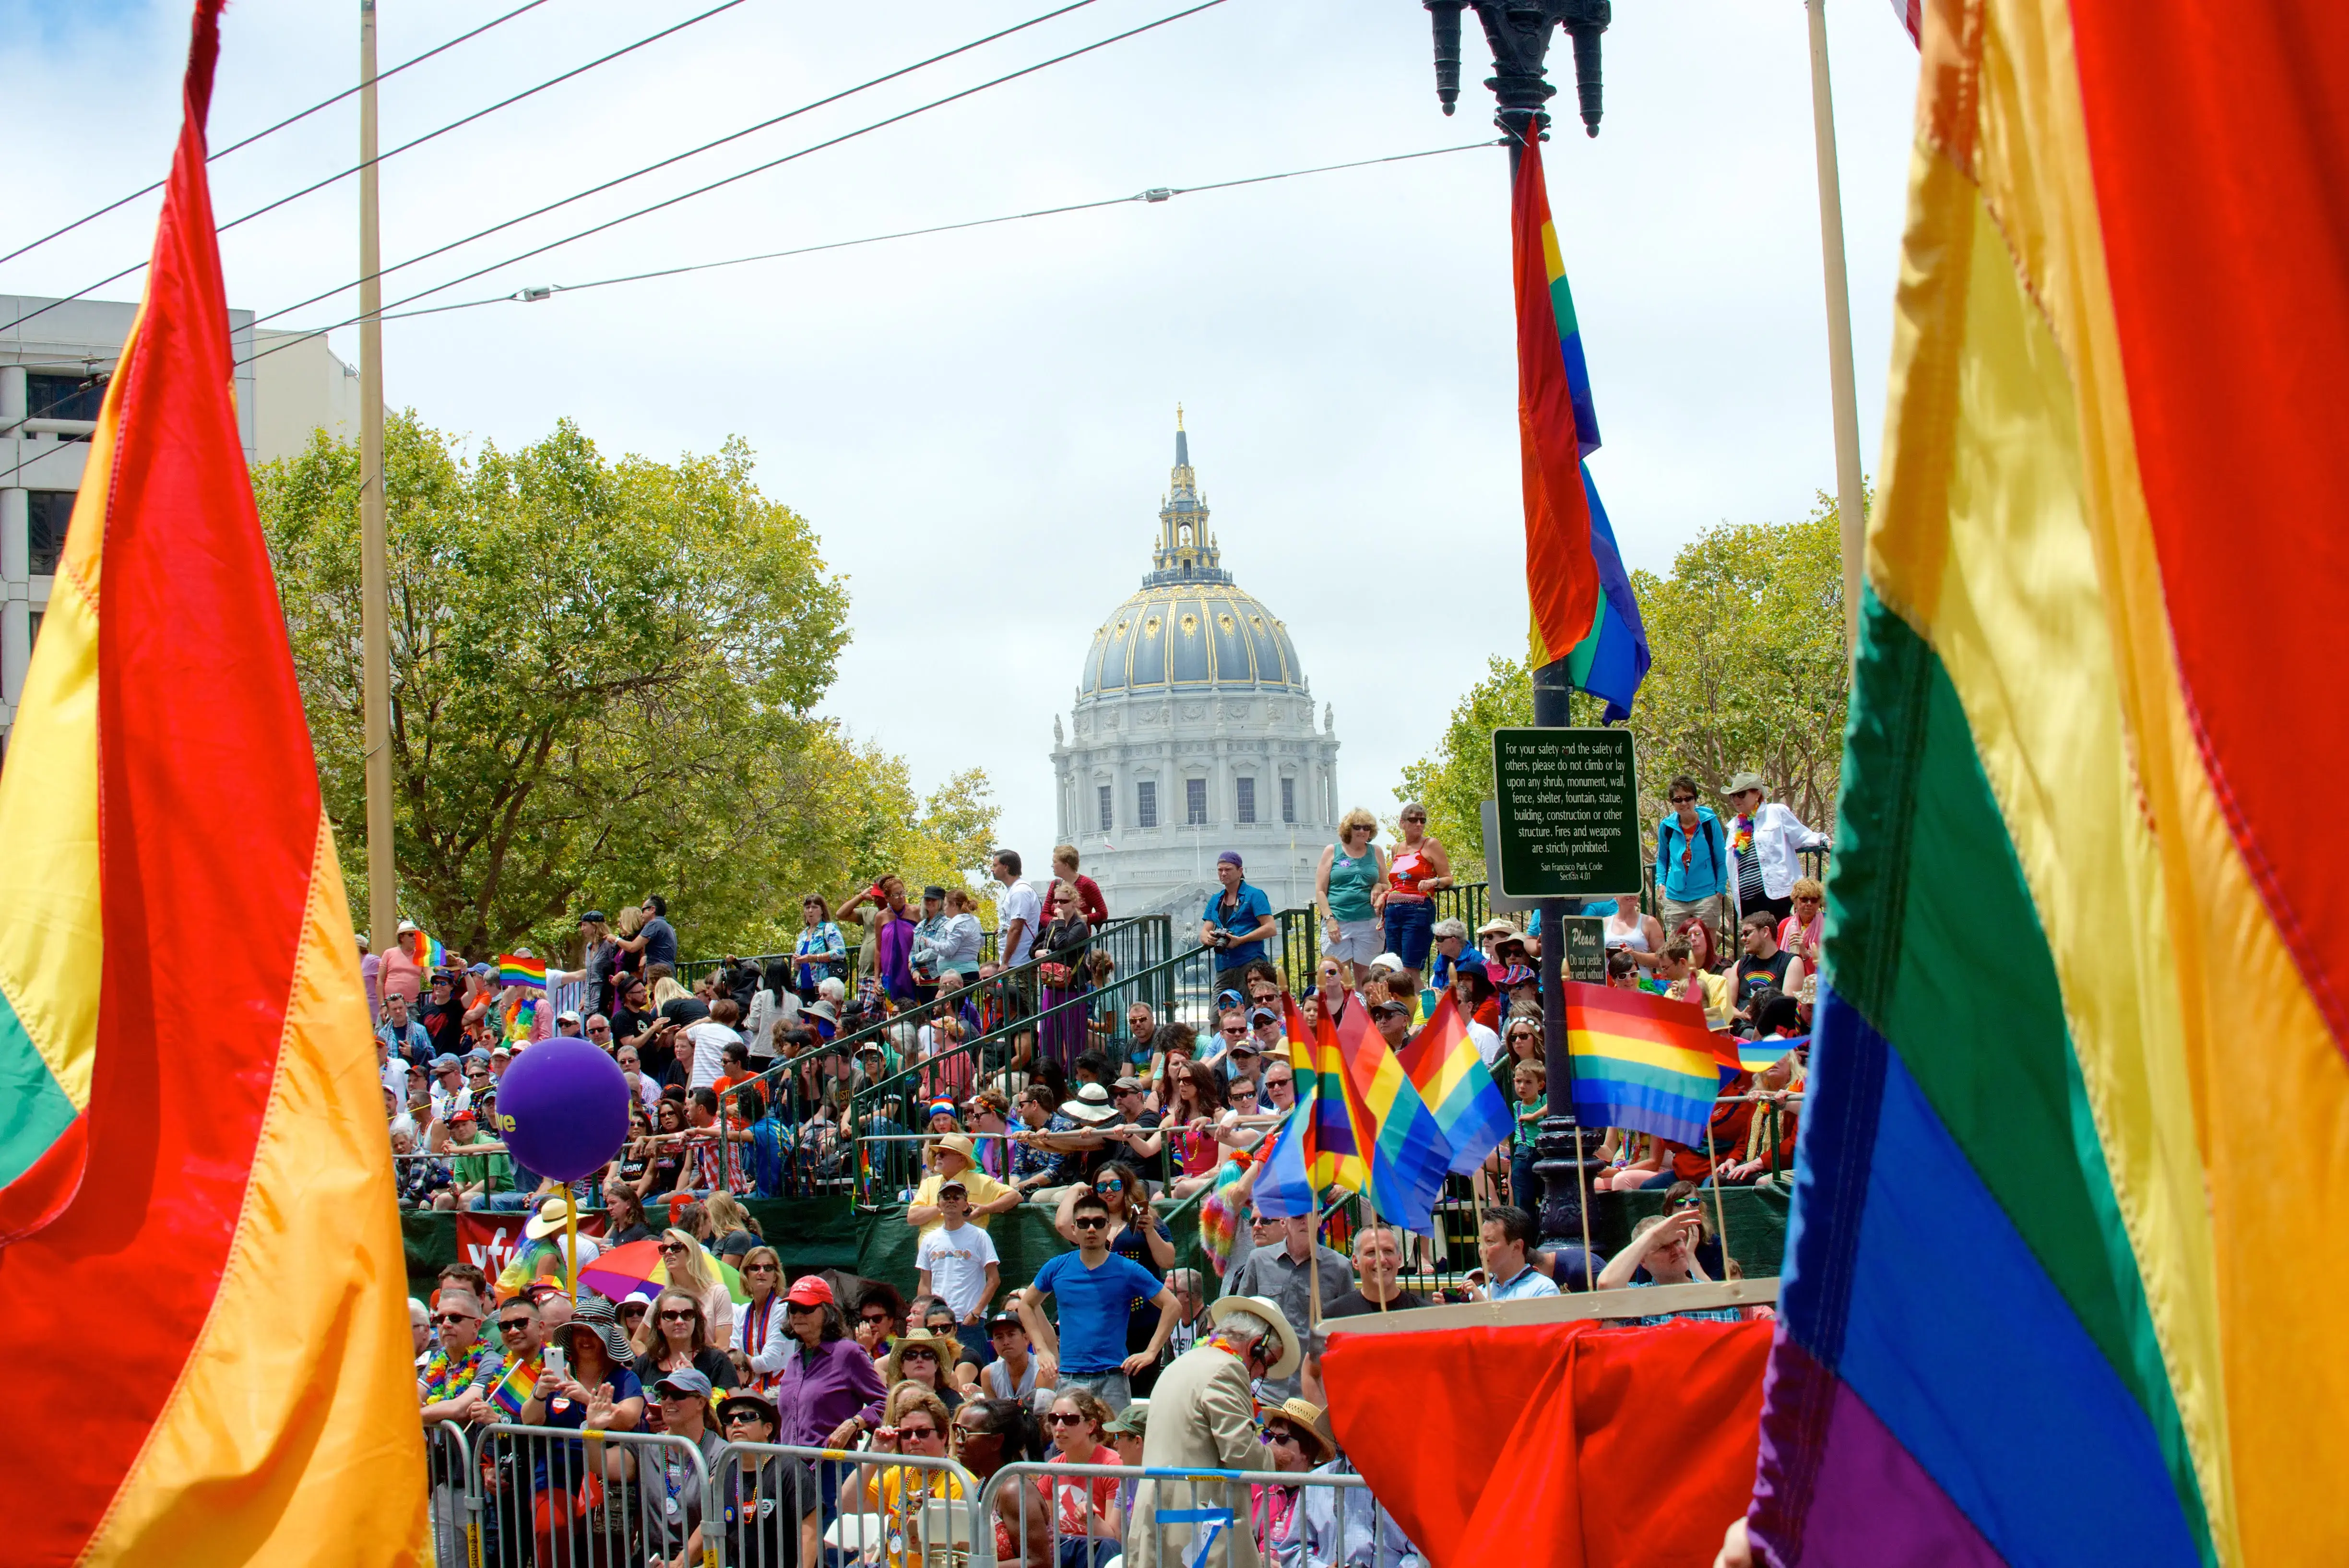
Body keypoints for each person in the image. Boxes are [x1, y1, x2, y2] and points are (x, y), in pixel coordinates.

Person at [1127, 1296, 1303, 1568]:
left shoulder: (1181, 1365)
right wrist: (1272, 1457)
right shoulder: (1228, 1369)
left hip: (1160, 1513)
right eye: (1265, 1364)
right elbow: (1242, 1452)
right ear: (1257, 1347)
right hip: (1195, 1529)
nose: (1259, 1375)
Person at [1014, 1188, 1179, 1413]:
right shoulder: (1057, 1267)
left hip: (1114, 1377)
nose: (1091, 1229)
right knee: (1072, 1442)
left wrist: (1151, 1353)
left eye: (1099, 1223)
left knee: (1115, 1441)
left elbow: (1173, 1305)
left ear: (1108, 1228)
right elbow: (1026, 1304)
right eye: (1083, 1223)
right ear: (1074, 1229)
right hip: (1070, 1377)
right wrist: (1041, 1349)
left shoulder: (1128, 1269)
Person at [1220, 1213, 1351, 1402]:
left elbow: (1347, 1334)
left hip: (1319, 1392)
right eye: (1298, 1216)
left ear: (1321, 1221)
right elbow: (1240, 1322)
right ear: (1283, 1221)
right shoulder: (1258, 1261)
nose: (1305, 1221)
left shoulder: (1340, 1267)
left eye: (1312, 1214)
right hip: (1266, 1390)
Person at [713, 1387, 822, 1568]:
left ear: (768, 1428)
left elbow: (809, 1537)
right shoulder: (725, 1472)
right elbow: (711, 1529)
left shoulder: (791, 1471)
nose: (736, 1423)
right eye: (729, 1420)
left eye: (747, 1416)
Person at [860, 1382, 967, 1568]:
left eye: (923, 1432)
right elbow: (847, 1502)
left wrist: (934, 1517)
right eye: (906, 1434)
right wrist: (874, 1454)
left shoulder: (960, 1483)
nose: (914, 1440)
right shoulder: (900, 1473)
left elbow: (957, 1558)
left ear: (943, 1436)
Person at [1597, 1209, 1750, 1324]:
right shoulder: (1640, 1297)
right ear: (1643, 1261)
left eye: (1677, 1241)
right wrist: (1653, 1236)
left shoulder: (1718, 1298)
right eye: (1663, 1247)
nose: (1675, 1251)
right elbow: (1607, 1285)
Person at [1722, 771, 1830, 927]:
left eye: (1741, 794)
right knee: (1758, 949)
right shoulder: (1734, 826)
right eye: (1733, 796)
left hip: (1778, 895)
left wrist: (1824, 841)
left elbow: (1802, 836)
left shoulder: (1776, 812)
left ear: (1757, 794)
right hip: (1748, 902)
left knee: (1784, 941)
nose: (1736, 799)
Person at [918, 1179, 1004, 1366]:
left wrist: (976, 1313)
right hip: (938, 1325)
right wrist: (924, 1316)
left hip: (969, 1323)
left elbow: (994, 1279)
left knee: (975, 1378)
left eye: (957, 1197)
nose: (951, 1201)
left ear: (966, 1204)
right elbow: (925, 1282)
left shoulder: (980, 1236)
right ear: (939, 1204)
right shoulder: (930, 1240)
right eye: (946, 1197)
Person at [1040, 1387, 1124, 1549]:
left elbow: (1115, 1542)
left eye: (1070, 1419)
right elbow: (1047, 1533)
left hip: (1098, 1553)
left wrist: (1091, 1519)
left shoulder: (1112, 1466)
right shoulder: (1051, 1470)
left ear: (1090, 1426)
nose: (1059, 1427)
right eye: (1054, 1418)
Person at [1314, 810, 1388, 986]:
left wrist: (1378, 887)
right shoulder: (1333, 851)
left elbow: (1387, 884)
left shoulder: (1376, 852)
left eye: (1367, 828)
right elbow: (1320, 891)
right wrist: (1329, 919)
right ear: (1349, 829)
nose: (1362, 831)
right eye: (1357, 827)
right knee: (1339, 978)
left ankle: (1367, 1013)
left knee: (1367, 979)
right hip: (1338, 922)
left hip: (1369, 922)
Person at [1380, 803, 1451, 976]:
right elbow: (1396, 883)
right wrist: (1384, 895)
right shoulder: (1395, 849)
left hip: (1418, 910)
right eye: (1413, 820)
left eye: (1423, 820)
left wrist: (1433, 882)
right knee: (1392, 967)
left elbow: (1448, 878)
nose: (1419, 824)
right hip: (1393, 913)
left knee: (1410, 970)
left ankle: (1421, 1003)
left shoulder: (1431, 844)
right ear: (1402, 823)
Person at [1253, 1398, 1332, 1553]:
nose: (1271, 1444)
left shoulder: (1323, 1497)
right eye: (1269, 1436)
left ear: (1306, 1451)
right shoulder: (1259, 1489)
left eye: (1281, 1438)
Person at [634, 1284, 740, 1398]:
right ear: (658, 1323)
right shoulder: (645, 1363)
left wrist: (697, 1383)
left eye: (687, 1315)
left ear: (696, 1320)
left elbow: (736, 1409)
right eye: (670, 1315)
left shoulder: (717, 1361)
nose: (680, 1321)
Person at [908, 1132, 1022, 1236]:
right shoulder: (929, 1183)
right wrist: (943, 1206)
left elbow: (1015, 1196)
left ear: (961, 1160)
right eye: (937, 1154)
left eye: (943, 1154)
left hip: (967, 1251)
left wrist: (985, 1210)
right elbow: (912, 1218)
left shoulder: (982, 1182)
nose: (938, 1157)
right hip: (932, 1253)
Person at [1035, 882, 1095, 1075]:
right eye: (1055, 901)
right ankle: (1050, 1076)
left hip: (1072, 988)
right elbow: (1038, 947)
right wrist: (1039, 953)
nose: (1058, 905)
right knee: (1048, 1034)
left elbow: (1063, 945)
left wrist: (1060, 922)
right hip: (1052, 986)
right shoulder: (1053, 924)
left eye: (1063, 901)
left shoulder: (1079, 926)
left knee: (1073, 1037)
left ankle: (1075, 1076)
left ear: (1074, 903)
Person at [1321, 1224, 1427, 1319]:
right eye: (1371, 1252)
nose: (1382, 1260)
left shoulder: (1424, 1314)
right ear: (1355, 1261)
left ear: (1400, 1259)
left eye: (1388, 1251)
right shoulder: (1334, 1316)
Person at [1201, 851, 1277, 979]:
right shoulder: (1215, 900)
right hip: (1223, 966)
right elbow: (1204, 931)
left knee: (1249, 999)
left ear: (1240, 871)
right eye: (1220, 870)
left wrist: (1241, 940)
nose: (1223, 874)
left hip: (1250, 964)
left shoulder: (1254, 895)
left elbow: (1271, 928)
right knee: (1218, 999)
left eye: (1228, 870)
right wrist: (1209, 939)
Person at [656, 1227, 735, 1347]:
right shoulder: (664, 1298)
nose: (668, 1252)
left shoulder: (718, 1292)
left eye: (676, 1247)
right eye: (664, 1248)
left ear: (691, 1252)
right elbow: (638, 1341)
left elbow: (723, 1345)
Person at [973, 1308, 1058, 1412]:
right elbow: (992, 1418)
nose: (1006, 1342)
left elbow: (1042, 1418)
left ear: (1026, 1339)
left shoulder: (1042, 1370)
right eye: (999, 1337)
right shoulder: (988, 1374)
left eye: (1011, 1335)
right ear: (993, 1345)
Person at [1470, 1205, 1559, 1302]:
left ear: (1516, 1247)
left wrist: (1485, 1307)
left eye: (1490, 1242)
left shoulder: (1542, 1290)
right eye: (1480, 1242)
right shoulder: (1482, 1292)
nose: (1482, 1249)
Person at [1732, 910, 1805, 1028]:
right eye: (1742, 935)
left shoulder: (1791, 962)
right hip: (1741, 1031)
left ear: (1765, 932)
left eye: (1747, 933)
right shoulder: (1740, 964)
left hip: (1772, 1033)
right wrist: (1741, 1015)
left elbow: (1786, 1010)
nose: (1743, 938)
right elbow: (1728, 1007)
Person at [1046, 843, 1111, 927]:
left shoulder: (1087, 884)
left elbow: (1103, 913)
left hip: (1078, 936)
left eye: (1055, 862)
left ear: (1066, 865)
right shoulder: (1055, 885)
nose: (1052, 866)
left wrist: (1083, 919)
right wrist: (1059, 921)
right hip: (1056, 937)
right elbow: (1044, 915)